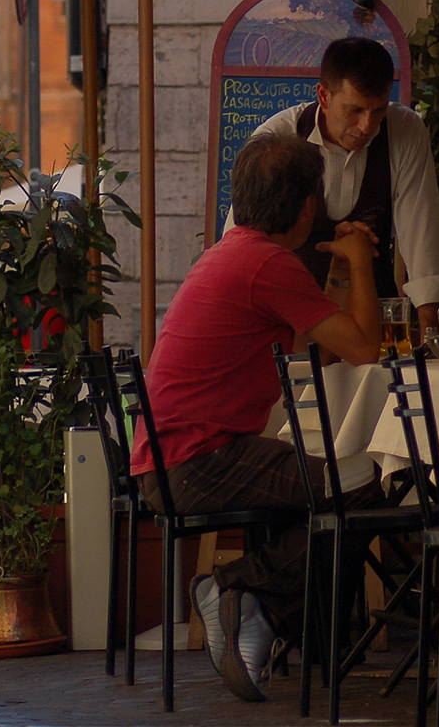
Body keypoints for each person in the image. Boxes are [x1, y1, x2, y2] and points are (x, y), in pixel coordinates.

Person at [132, 132, 383, 703]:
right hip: (198, 461)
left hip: (177, 459)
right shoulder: (267, 263)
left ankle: (256, 611)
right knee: (365, 485)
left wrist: (341, 272)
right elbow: (366, 347)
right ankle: (233, 588)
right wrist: (363, 262)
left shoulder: (233, 252)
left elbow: (318, 348)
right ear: (304, 209)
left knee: (341, 486)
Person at [245, 37, 439, 338]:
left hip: (372, 317)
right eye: (355, 110)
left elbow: (421, 228)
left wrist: (429, 323)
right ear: (324, 96)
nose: (367, 126)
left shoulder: (404, 131)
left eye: (378, 111)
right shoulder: (278, 139)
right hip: (292, 320)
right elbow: (245, 243)